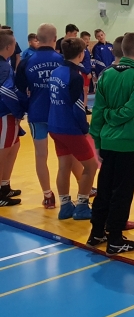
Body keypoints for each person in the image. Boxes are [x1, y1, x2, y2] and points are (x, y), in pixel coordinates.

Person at [87, 32, 134, 254]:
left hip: (107, 140)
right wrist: (114, 118)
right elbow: (132, 110)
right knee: (123, 191)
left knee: (104, 188)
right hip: (129, 141)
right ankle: (115, 238)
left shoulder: (106, 74)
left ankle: (96, 232)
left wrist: (97, 140)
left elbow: (98, 111)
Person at [17, 23, 78, 208]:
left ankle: (48, 195)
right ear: (55, 39)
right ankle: (85, 185)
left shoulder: (27, 61)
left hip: (37, 113)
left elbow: (20, 89)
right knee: (69, 153)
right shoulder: (63, 60)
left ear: (37, 39)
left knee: (40, 155)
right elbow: (73, 89)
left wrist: (27, 106)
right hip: (60, 114)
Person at [48, 38, 98, 221]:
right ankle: (82, 205)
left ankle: (65, 205)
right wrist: (85, 128)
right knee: (91, 165)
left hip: (55, 125)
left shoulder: (55, 72)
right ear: (81, 54)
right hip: (70, 128)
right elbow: (77, 107)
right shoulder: (75, 76)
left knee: (64, 166)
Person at [0, 31, 27, 206]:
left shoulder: (4, 64)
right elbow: (5, 91)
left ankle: (5, 185)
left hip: (5, 112)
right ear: (9, 47)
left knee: (14, 146)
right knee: (3, 151)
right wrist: (18, 111)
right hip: (4, 113)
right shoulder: (4, 67)